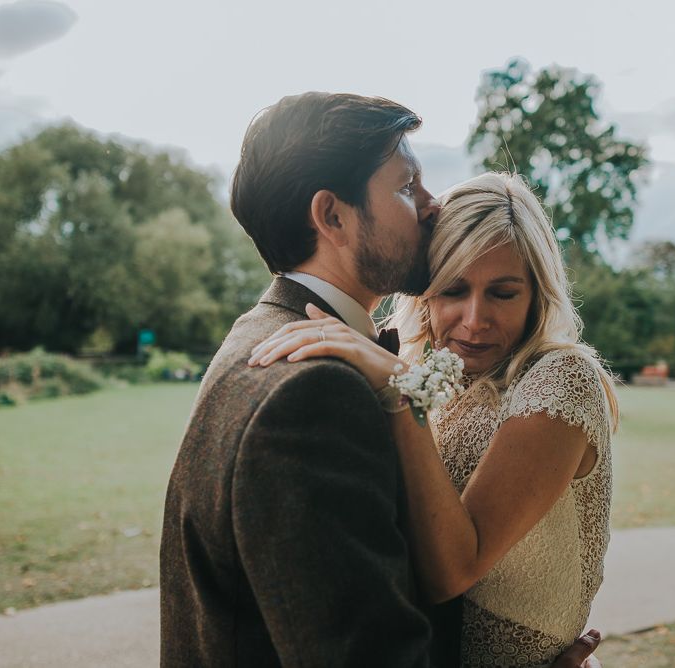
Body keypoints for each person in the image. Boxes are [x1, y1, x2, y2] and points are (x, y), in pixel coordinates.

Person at [160, 91, 602, 667]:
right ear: (333, 216)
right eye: (405, 186)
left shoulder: (260, 332)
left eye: (501, 291)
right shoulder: (314, 390)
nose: (430, 204)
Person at [249, 171, 616, 667]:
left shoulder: (561, 379)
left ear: (537, 293)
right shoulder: (424, 368)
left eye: (503, 293)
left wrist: (400, 391)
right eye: (453, 289)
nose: (474, 319)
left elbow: (453, 571)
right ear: (423, 292)